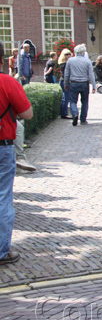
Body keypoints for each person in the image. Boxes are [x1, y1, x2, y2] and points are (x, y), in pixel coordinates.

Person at [0, 41, 34, 265]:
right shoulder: (7, 82)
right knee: (3, 198)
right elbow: (28, 113)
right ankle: (1, 251)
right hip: (2, 147)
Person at [64, 44, 96, 126]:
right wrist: (94, 85)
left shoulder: (70, 61)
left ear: (75, 52)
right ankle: (83, 120)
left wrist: (66, 83)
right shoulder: (87, 61)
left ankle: (74, 114)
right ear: (84, 52)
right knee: (84, 102)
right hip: (84, 84)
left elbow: (66, 73)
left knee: (72, 101)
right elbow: (91, 74)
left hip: (74, 83)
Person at [58, 49, 72, 119]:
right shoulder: (63, 64)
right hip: (65, 81)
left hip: (65, 81)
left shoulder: (68, 63)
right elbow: (65, 74)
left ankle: (63, 113)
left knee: (66, 97)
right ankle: (64, 114)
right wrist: (68, 80)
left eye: (69, 54)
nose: (68, 55)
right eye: (66, 54)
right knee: (65, 98)